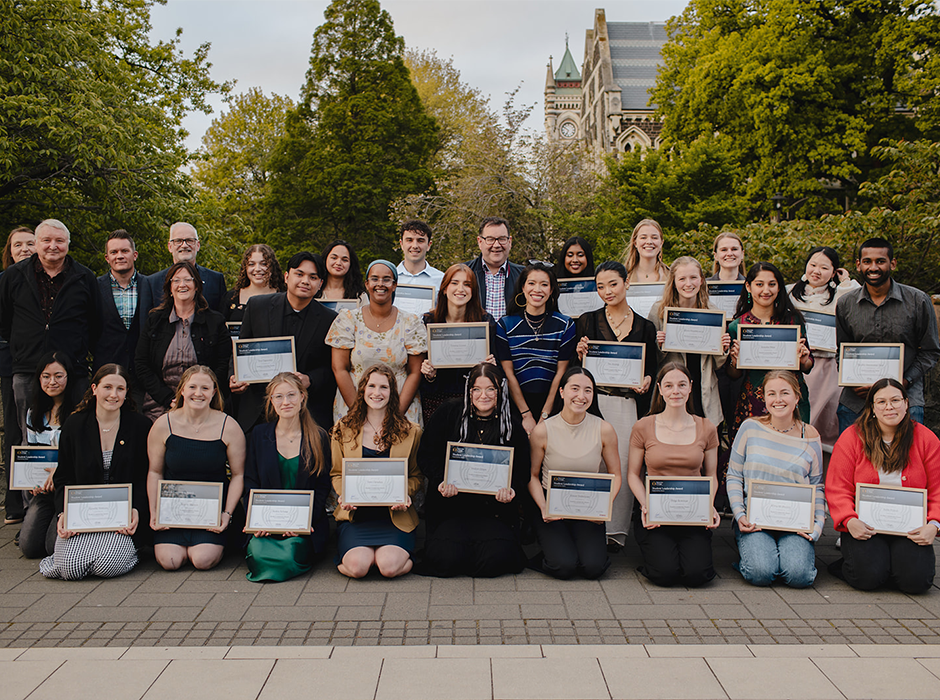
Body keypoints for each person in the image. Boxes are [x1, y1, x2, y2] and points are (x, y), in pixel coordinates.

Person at [826, 379, 939, 594]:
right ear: (872, 408)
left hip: (910, 527)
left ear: (906, 404)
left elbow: (938, 488)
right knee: (867, 578)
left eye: (895, 400)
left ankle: (890, 566)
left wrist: (933, 524)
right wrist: (849, 520)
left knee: (917, 583)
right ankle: (857, 565)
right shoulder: (852, 437)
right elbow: (837, 487)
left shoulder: (926, 439)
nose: (889, 407)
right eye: (882, 402)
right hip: (865, 525)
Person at [40, 365, 152, 580]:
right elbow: (63, 477)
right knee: (69, 568)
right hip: (83, 515)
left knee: (106, 565)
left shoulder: (140, 426)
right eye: (107, 387)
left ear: (127, 392)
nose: (113, 394)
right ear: (94, 388)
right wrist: (64, 513)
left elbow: (145, 475)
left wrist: (137, 509)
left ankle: (132, 552)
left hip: (124, 516)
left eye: (120, 389)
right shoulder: (74, 425)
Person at [417, 363, 529, 577]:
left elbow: (523, 468)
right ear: (469, 391)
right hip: (452, 507)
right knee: (446, 559)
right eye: (477, 389)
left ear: (500, 391)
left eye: (491, 389)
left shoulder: (511, 424)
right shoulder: (449, 412)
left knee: (494, 561)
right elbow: (426, 455)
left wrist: (512, 489)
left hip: (494, 511)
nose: (483, 395)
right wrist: (441, 480)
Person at [575, 260, 657, 548]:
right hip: (593, 404)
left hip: (626, 404)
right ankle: (587, 524)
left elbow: (653, 369)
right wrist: (580, 352)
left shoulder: (645, 326)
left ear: (626, 284)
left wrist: (646, 381)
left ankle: (614, 533)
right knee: (592, 463)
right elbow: (576, 369)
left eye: (613, 284)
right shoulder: (586, 320)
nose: (607, 291)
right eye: (600, 286)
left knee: (621, 464)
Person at [0, 219, 99, 438]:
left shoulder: (84, 278)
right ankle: (32, 475)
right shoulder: (14, 276)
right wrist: (22, 345)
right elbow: (5, 320)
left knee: (75, 434)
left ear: (68, 244)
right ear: (36, 243)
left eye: (59, 241)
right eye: (46, 240)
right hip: (27, 368)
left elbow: (94, 322)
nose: (53, 246)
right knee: (28, 434)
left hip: (72, 369)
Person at [727, 371, 824, 588]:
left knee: (799, 577)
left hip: (796, 523)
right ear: (764, 398)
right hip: (755, 521)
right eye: (771, 393)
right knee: (760, 573)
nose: (778, 399)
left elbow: (817, 486)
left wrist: (817, 526)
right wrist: (739, 514)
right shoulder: (750, 428)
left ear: (797, 397)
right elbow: (733, 475)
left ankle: (780, 558)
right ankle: (756, 557)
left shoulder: (810, 436)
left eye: (784, 393)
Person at [628, 362, 721, 587]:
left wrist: (709, 504)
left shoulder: (706, 427)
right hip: (657, 513)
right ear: (659, 389)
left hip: (693, 512)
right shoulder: (643, 426)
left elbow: (711, 476)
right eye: (669, 386)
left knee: (697, 575)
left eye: (681, 385)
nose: (675, 391)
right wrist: (645, 505)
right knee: (664, 574)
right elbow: (633, 474)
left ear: (690, 387)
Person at [835, 237, 939, 432]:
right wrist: (852, 380)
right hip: (857, 398)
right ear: (858, 265)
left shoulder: (918, 301)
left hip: (905, 395)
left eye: (880, 261)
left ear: (892, 263)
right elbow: (841, 352)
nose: (873, 267)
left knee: (907, 458)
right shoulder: (845, 304)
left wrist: (903, 382)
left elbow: (930, 351)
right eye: (867, 262)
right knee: (851, 457)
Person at [147, 366, 245, 571]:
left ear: (214, 392)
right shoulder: (164, 424)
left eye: (205, 388)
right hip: (173, 512)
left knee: (202, 560)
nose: (198, 393)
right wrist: (154, 511)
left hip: (211, 512)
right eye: (192, 387)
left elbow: (238, 475)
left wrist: (226, 514)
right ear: (182, 390)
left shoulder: (229, 426)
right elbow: (154, 472)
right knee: (169, 561)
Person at [528, 367, 621, 579]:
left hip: (588, 509)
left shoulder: (604, 429)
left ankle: (569, 548)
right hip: (551, 508)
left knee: (593, 568)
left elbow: (616, 474)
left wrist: (603, 508)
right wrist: (544, 508)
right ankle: (554, 551)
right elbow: (533, 477)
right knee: (564, 567)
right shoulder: (543, 430)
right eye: (575, 389)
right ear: (561, 392)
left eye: (588, 390)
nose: (581, 396)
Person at [330, 364, 422, 579]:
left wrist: (404, 493)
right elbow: (336, 473)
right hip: (357, 517)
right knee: (357, 568)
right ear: (363, 390)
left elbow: (416, 475)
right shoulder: (343, 428)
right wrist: (345, 495)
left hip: (394, 517)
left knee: (388, 568)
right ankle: (365, 557)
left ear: (392, 392)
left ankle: (388, 558)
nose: (377, 393)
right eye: (371, 386)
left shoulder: (411, 431)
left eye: (384, 387)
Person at [231, 252, 337, 431]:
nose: (305, 281)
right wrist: (234, 376)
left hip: (306, 413)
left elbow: (332, 367)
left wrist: (310, 379)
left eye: (313, 277)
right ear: (287, 277)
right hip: (258, 409)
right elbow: (242, 349)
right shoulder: (257, 306)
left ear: (320, 285)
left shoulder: (330, 319)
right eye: (299, 274)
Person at [242, 373, 332, 583]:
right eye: (279, 396)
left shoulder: (318, 436)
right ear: (271, 401)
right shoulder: (259, 434)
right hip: (266, 527)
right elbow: (250, 481)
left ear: (302, 397)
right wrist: (256, 521)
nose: (286, 402)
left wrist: (304, 522)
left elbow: (322, 486)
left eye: (291, 395)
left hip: (301, 528)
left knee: (289, 555)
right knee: (258, 553)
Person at [327, 260, 426, 425]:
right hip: (354, 406)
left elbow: (415, 372)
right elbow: (339, 368)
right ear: (367, 284)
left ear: (394, 285)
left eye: (386, 279)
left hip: (400, 407)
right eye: (375, 279)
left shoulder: (410, 322)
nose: (380, 284)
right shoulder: (348, 319)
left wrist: (394, 416)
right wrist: (358, 413)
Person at [726, 262, 813, 439]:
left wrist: (804, 359)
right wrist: (735, 362)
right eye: (760, 284)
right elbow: (733, 374)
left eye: (772, 284)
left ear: (779, 287)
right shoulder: (737, 326)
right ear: (749, 287)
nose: (766, 290)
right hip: (754, 400)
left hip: (792, 399)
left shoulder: (793, 321)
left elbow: (808, 365)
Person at [136, 261, 231, 421]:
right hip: (161, 404)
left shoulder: (215, 321)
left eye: (188, 280)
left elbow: (223, 364)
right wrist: (169, 399)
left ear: (197, 286)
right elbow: (141, 364)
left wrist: (200, 396)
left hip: (204, 402)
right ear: (170, 287)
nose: (182, 285)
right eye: (176, 280)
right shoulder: (155, 320)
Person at [787, 246, 859, 451]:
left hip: (827, 367)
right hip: (796, 364)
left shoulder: (840, 295)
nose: (816, 271)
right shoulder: (790, 292)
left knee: (826, 424)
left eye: (824, 267)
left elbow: (856, 301)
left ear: (834, 271)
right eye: (813, 265)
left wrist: (845, 281)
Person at [649, 256, 731, 427]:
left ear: (701, 280)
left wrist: (723, 348)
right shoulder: (659, 311)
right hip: (673, 391)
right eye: (682, 278)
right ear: (673, 281)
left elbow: (717, 364)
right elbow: (651, 360)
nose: (688, 283)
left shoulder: (713, 312)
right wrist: (659, 345)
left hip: (703, 389)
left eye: (693, 277)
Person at [496, 262, 576, 436]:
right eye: (531, 283)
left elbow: (561, 371)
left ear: (552, 290)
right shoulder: (505, 325)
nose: (537, 289)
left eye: (544, 284)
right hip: (516, 405)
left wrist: (545, 414)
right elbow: (508, 373)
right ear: (523, 288)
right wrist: (526, 415)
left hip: (554, 403)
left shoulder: (565, 325)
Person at [18, 352, 83, 558]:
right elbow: (33, 455)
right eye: (46, 376)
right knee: (28, 547)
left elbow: (82, 456)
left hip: (69, 488)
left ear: (68, 377)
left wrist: (59, 471)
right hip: (45, 492)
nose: (52, 381)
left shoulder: (80, 412)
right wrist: (31, 480)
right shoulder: (33, 412)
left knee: (51, 547)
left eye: (58, 376)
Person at [419, 263, 497, 422]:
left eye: (467, 284)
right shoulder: (429, 321)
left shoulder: (485, 322)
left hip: (475, 400)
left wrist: (492, 366)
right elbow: (421, 374)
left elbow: (498, 372)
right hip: (437, 401)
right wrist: (429, 375)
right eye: (454, 283)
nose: (460, 289)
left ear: (473, 291)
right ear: (445, 288)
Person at [1, 227, 34, 524]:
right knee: (15, 432)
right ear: (9, 251)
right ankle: (15, 503)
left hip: (42, 366)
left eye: (29, 244)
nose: (24, 249)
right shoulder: (5, 281)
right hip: (11, 365)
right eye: (18, 245)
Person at [140, 222, 227, 315]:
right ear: (170, 247)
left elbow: (222, 319)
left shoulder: (216, 280)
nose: (184, 245)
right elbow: (146, 324)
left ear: (198, 245)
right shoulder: (152, 283)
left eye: (190, 240)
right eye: (178, 241)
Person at [93, 230, 142, 385]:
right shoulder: (94, 287)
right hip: (105, 369)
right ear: (107, 258)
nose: (119, 256)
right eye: (114, 252)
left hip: (142, 374)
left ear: (134, 255)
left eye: (125, 251)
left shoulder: (151, 285)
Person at [465, 217, 525, 320]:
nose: (496, 245)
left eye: (502, 239)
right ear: (480, 242)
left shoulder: (524, 276)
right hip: (475, 335)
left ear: (509, 242)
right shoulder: (464, 273)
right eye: (490, 239)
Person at [222, 244, 285, 323]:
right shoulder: (230, 297)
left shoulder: (284, 298)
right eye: (252, 264)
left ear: (272, 267)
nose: (257, 269)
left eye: (263, 264)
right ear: (245, 268)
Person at [396, 220, 444, 291]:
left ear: (428, 245)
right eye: (409, 240)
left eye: (420, 241)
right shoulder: (390, 278)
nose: (415, 246)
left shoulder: (441, 280)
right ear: (401, 244)